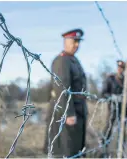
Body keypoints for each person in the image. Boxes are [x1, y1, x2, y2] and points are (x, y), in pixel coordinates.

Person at [43, 28, 88, 158]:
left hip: (77, 111)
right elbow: (61, 89)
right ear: (66, 41)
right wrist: (68, 113)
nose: (77, 45)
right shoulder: (62, 61)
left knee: (75, 149)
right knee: (66, 151)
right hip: (66, 114)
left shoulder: (73, 60)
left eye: (78, 42)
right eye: (74, 41)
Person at [100, 60, 127, 157]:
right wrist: (112, 97)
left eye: (122, 68)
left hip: (124, 109)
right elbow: (103, 93)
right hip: (112, 108)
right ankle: (104, 149)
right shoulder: (110, 79)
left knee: (122, 129)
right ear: (117, 68)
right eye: (119, 68)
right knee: (109, 127)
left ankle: (121, 150)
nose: (120, 70)